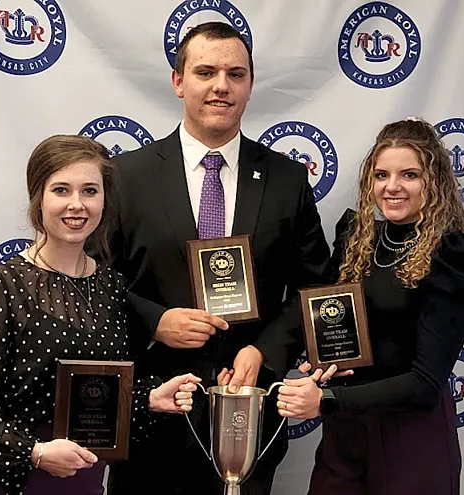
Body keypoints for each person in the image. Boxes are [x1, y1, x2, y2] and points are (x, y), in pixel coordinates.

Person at [105, 21, 330, 495]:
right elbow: (94, 282)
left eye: (236, 73)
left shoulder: (287, 179)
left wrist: (265, 352)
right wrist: (154, 321)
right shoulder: (126, 176)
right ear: (178, 81)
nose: (221, 86)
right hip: (154, 412)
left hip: (248, 415)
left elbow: (315, 289)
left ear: (250, 85)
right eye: (205, 71)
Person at [0, 135, 200, 495]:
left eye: (89, 191)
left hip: (88, 481)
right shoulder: (2, 287)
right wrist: (36, 452)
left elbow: (99, 393)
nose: (76, 205)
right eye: (61, 190)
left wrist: (151, 398)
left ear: (104, 200)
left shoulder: (111, 286)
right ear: (38, 197)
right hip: (19, 483)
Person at [276, 118, 464, 495]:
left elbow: (425, 384)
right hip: (345, 434)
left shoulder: (452, 256)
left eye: (409, 175)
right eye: (381, 175)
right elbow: (332, 319)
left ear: (434, 182)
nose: (392, 187)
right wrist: (320, 355)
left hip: (412, 439)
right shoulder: (357, 239)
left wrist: (326, 400)